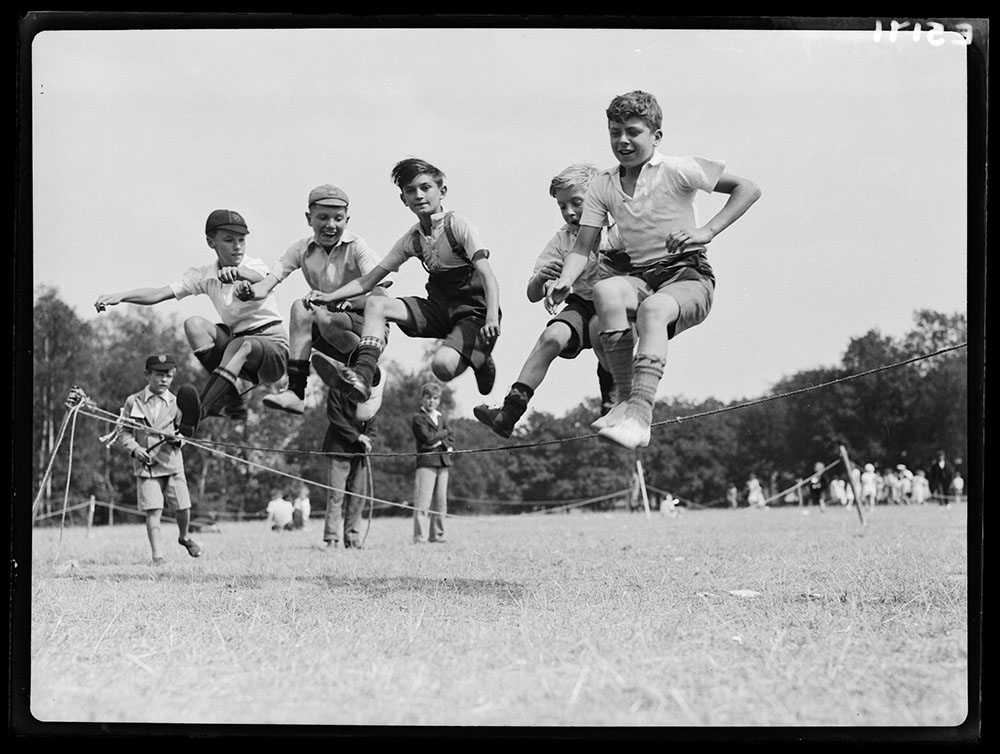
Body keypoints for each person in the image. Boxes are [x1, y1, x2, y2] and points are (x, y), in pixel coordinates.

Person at [545, 90, 761, 449]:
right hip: (644, 277)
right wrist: (565, 281)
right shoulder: (603, 184)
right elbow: (582, 247)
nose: (622, 141)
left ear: (655, 136)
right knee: (606, 291)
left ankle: (641, 416)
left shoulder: (676, 170)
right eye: (615, 132)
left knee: (653, 310)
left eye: (632, 132)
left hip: (688, 275)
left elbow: (748, 188)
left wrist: (705, 231)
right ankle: (625, 403)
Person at [303, 157, 501, 405]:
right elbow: (368, 281)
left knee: (441, 367)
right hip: (440, 309)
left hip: (473, 312)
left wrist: (492, 317)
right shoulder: (412, 238)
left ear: (442, 192)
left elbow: (488, 276)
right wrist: (329, 297)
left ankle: (479, 356)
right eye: (410, 191)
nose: (418, 195)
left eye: (425, 188)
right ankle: (363, 376)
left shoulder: (457, 225)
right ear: (403, 199)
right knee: (376, 303)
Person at [95, 210, 289, 437]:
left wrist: (239, 274)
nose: (237, 247)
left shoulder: (253, 265)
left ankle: (202, 410)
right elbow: (159, 293)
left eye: (241, 240)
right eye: (229, 240)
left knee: (242, 344)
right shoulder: (204, 275)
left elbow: (261, 279)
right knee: (194, 324)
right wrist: (120, 296)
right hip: (240, 357)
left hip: (273, 353)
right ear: (210, 242)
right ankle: (229, 396)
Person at [474, 163, 619, 438]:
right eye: (562, 207)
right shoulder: (563, 238)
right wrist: (542, 279)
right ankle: (509, 411)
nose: (570, 212)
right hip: (582, 303)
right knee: (552, 335)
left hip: (615, 305)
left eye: (576, 203)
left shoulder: (617, 227)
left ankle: (613, 401)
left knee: (599, 329)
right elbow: (532, 293)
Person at [246, 185, 391, 415]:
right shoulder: (301, 249)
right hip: (330, 322)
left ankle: (371, 373)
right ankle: (295, 392)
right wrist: (247, 290)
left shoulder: (357, 247)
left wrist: (351, 302)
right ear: (309, 218)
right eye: (322, 217)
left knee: (328, 320)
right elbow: (267, 284)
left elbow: (381, 296)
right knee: (300, 308)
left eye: (338, 219)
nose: (330, 225)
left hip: (367, 326)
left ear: (347, 219)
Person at [117, 353, 202, 564]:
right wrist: (135, 449)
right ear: (147, 375)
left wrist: (178, 440)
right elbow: (124, 432)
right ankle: (157, 556)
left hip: (172, 463)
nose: (164, 380)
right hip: (147, 467)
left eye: (169, 376)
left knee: (183, 507)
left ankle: (184, 537)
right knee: (153, 510)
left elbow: (184, 432)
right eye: (159, 375)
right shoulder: (132, 401)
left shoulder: (177, 402)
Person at [321, 370, 383, 550]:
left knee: (357, 497)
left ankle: (352, 539)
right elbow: (335, 417)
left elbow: (372, 419)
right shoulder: (337, 389)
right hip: (339, 449)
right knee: (335, 496)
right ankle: (331, 539)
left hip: (360, 453)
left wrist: (369, 438)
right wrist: (357, 437)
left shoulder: (370, 394)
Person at [411, 382, 454, 544]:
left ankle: (437, 535)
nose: (431, 401)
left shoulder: (441, 417)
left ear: (439, 400)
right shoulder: (418, 418)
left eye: (435, 398)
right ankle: (420, 537)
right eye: (428, 398)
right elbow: (427, 438)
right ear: (422, 399)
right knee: (423, 502)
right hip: (426, 462)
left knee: (441, 502)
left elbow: (451, 436)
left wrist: (441, 441)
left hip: (443, 462)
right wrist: (443, 435)